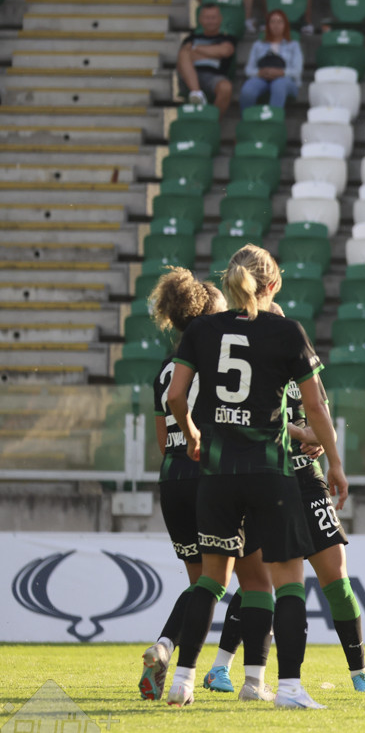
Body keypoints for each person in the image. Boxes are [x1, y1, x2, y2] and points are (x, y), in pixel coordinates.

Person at [164, 244, 348, 710]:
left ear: (227, 281)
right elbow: (314, 405)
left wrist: (191, 433)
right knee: (287, 582)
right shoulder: (286, 331)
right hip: (270, 472)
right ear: (273, 284)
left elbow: (176, 396)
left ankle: (182, 682)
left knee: (211, 580)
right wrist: (335, 463)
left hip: (217, 473)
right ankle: (288, 688)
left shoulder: (202, 329)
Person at [201, 302, 365, 695]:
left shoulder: (301, 369)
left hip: (306, 479)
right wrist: (301, 432)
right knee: (258, 581)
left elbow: (322, 417)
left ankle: (360, 673)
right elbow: (255, 419)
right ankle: (221, 667)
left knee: (336, 576)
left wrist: (319, 440)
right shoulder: (252, 375)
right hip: (266, 479)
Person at [138, 268, 232, 700]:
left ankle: (163, 647)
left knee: (200, 584)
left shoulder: (164, 370)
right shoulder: (217, 362)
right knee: (231, 580)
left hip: (172, 477)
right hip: (208, 473)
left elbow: (163, 442)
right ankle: (225, 672)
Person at [177, 4, 236, 116]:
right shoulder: (190, 38)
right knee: (184, 53)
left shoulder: (228, 38)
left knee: (226, 87)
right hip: (189, 76)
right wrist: (214, 53)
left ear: (220, 19)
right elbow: (183, 57)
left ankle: (212, 121)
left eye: (213, 17)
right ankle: (197, 94)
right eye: (207, 18)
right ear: (200, 19)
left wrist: (195, 49)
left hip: (214, 76)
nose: (210, 21)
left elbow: (225, 51)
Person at [240, 10, 303, 110]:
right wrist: (260, 72)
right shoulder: (258, 45)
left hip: (286, 80)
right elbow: (248, 69)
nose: (276, 25)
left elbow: (297, 71)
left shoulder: (293, 45)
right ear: (267, 25)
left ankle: (274, 118)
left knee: (278, 85)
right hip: (262, 77)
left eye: (280, 22)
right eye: (272, 22)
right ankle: (247, 117)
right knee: (248, 89)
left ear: (285, 25)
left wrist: (280, 73)